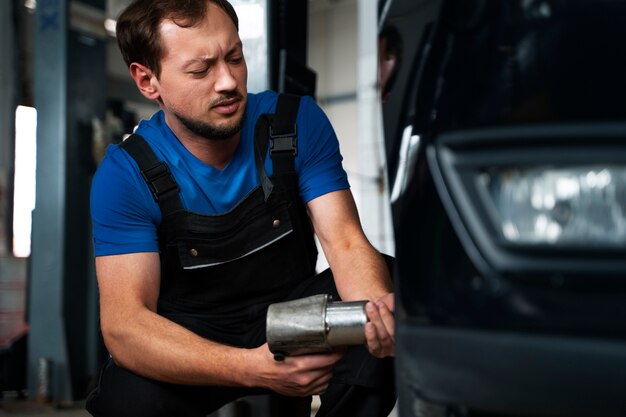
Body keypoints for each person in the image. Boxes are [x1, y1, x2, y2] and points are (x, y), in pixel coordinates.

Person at [86, 0, 396, 416]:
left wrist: (377, 317)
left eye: (235, 57)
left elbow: (344, 241)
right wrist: (252, 368)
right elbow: (125, 327)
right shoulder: (125, 174)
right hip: (193, 337)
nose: (229, 82)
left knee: (391, 292)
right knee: (126, 401)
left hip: (293, 316)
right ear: (147, 81)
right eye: (201, 70)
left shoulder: (295, 124)